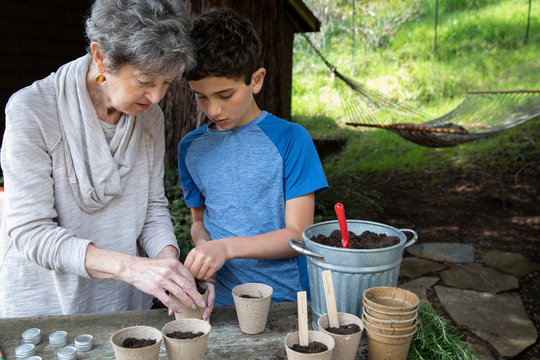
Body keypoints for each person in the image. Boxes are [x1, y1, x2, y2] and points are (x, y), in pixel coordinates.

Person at [0, 0, 214, 320]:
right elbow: (32, 232)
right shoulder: (32, 111)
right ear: (101, 57)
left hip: (123, 306)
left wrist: (168, 266)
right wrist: (131, 267)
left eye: (166, 84)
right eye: (145, 81)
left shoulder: (150, 118)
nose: (156, 98)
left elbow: (152, 208)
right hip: (44, 309)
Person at [178, 8, 328, 306]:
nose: (213, 110)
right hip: (219, 301)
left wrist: (226, 248)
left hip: (286, 301)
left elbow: (297, 235)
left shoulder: (291, 140)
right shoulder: (190, 148)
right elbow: (199, 221)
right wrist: (205, 249)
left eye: (225, 95)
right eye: (201, 96)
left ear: (256, 80)